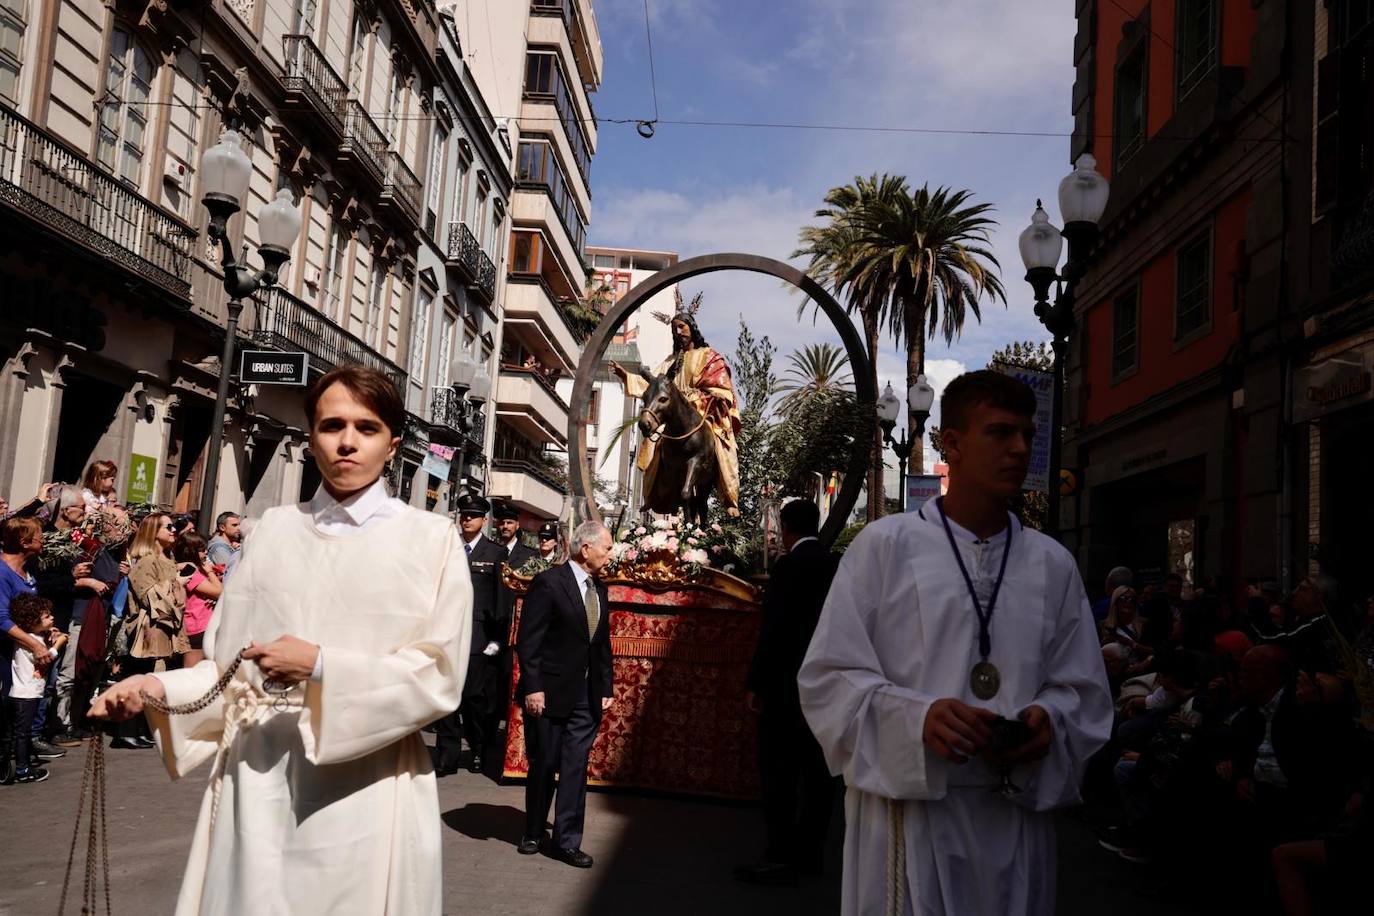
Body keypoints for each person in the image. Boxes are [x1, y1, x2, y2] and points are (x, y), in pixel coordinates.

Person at [89, 364, 472, 916]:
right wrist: (153, 686)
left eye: (366, 428)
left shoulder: (430, 539)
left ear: (393, 444)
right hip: (259, 774)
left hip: (367, 781)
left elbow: (440, 674)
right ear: (311, 436)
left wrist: (321, 666)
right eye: (331, 425)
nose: (347, 442)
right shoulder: (271, 531)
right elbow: (227, 667)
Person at [798, 370, 1113, 916]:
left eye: (1027, 435)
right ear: (953, 444)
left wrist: (1047, 718)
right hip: (912, 821)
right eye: (999, 432)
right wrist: (916, 718)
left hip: (1014, 821)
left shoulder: (1051, 563)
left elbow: (1082, 689)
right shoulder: (884, 547)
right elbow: (827, 679)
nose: (1019, 449)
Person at [737, 499, 841, 886]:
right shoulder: (834, 565)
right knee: (818, 776)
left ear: (786, 528)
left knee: (779, 775)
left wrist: (755, 684)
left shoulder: (788, 567)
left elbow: (774, 630)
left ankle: (779, 854)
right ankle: (811, 853)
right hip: (826, 689)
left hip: (785, 689)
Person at [516, 520, 615, 868]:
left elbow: (601, 645)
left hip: (586, 697)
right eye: (607, 547)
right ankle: (532, 830)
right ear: (585, 549)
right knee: (544, 763)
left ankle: (567, 841)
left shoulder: (599, 589)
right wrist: (534, 688)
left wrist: (606, 688)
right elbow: (529, 641)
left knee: (575, 767)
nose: (611, 553)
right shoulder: (549, 583)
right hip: (550, 693)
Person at [611, 311, 743, 514]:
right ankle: (653, 495)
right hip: (672, 413)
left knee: (722, 445)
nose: (678, 331)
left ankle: (729, 497)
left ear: (692, 328)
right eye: (675, 328)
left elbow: (723, 386)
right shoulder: (670, 361)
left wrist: (710, 396)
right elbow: (653, 386)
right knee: (654, 446)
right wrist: (626, 376)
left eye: (682, 326)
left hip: (701, 410)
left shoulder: (708, 356)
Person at [434, 493, 504, 775]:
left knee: (474, 700)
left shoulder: (495, 553)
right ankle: (446, 757)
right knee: (446, 697)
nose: (467, 520)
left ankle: (477, 749)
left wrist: (497, 638)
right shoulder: (448, 549)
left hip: (478, 636)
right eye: (464, 515)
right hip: (448, 634)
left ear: (484, 519)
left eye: (473, 516)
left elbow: (501, 599)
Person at [3, 593, 66, 784]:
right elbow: (46, 657)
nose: (52, 618)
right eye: (46, 616)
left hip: (28, 693)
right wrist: (60, 642)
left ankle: (18, 763)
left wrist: (49, 635)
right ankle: (22, 768)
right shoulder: (32, 641)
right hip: (25, 695)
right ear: (32, 621)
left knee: (20, 732)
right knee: (22, 733)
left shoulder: (32, 638)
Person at [174, 531, 222, 668]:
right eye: (202, 550)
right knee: (191, 671)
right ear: (190, 551)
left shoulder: (193, 568)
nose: (206, 553)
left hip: (200, 624)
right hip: (195, 626)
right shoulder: (191, 571)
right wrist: (210, 572)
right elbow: (220, 592)